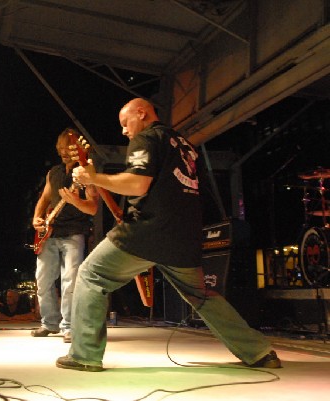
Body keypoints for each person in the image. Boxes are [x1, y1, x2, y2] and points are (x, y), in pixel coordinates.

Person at [56, 98, 281, 371]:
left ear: (142, 113)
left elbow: (138, 184)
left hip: (148, 231)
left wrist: (94, 179)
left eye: (126, 123)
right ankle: (259, 351)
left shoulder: (147, 138)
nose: (125, 131)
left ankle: (85, 356)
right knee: (201, 296)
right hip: (184, 236)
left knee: (92, 274)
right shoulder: (182, 144)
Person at [31, 127, 99, 343]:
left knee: (70, 281)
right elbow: (44, 199)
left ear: (78, 149)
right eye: (60, 148)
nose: (63, 152)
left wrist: (76, 201)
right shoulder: (54, 172)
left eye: (67, 148)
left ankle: (69, 326)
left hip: (74, 233)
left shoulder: (86, 171)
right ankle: (49, 323)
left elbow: (93, 208)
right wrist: (36, 218)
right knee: (43, 281)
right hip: (49, 233)